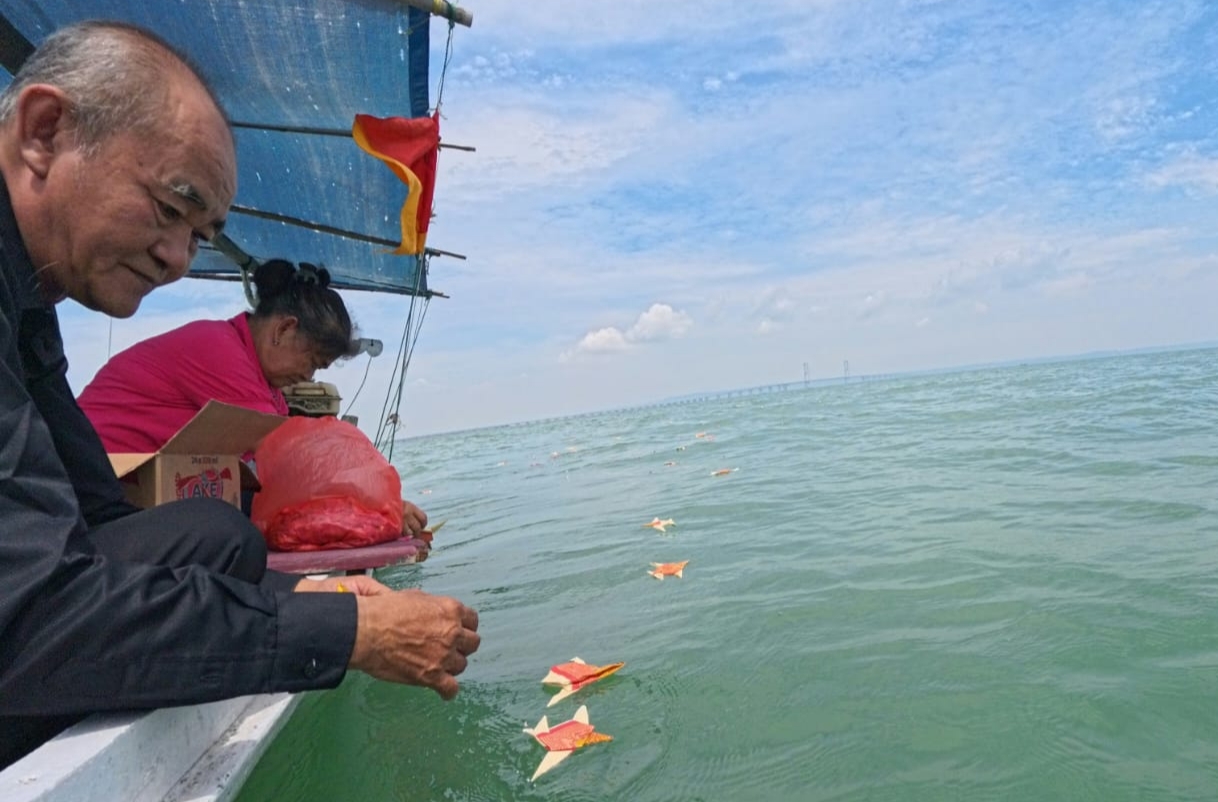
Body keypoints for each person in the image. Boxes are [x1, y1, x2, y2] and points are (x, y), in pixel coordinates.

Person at [0, 20, 478, 768]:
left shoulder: (30, 311)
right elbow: (29, 612)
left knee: (219, 534)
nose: (176, 260)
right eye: (170, 209)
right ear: (44, 132)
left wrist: (307, 597)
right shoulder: (220, 359)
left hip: (79, 516)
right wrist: (348, 633)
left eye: (200, 234)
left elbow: (99, 519)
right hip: (38, 592)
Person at [76, 258, 430, 540]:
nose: (309, 377)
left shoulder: (264, 385)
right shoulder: (220, 351)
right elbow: (294, 467)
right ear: (284, 329)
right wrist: (383, 506)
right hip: (91, 488)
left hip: (141, 492)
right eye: (312, 361)